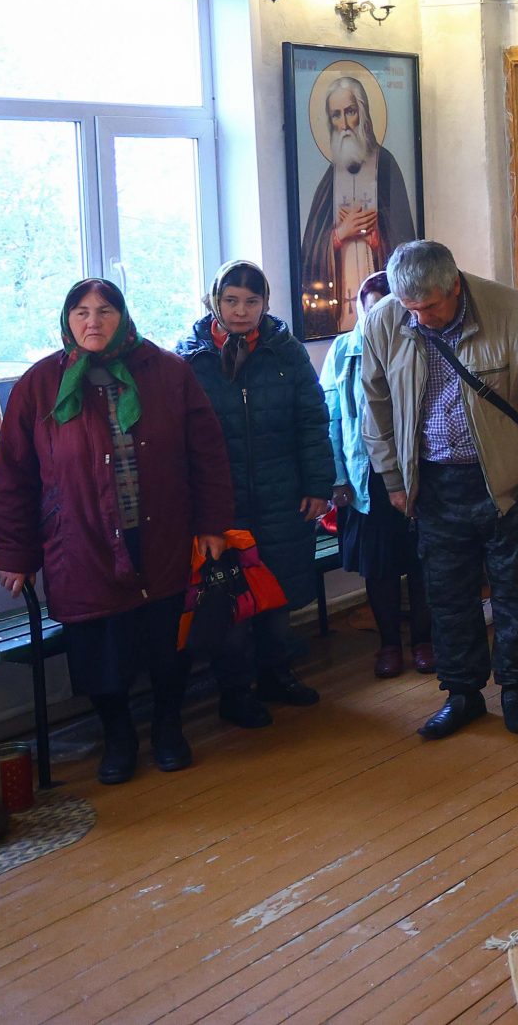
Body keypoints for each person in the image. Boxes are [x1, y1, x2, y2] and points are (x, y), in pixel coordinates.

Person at [0, 280, 233, 784]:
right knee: (99, 647)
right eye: (81, 312)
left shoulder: (167, 372)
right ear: (67, 320)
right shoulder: (40, 384)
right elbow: (13, 474)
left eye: (104, 311)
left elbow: (206, 454)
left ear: (123, 317)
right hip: (81, 541)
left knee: (166, 640)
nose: (92, 322)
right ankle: (118, 738)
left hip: (160, 532)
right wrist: (15, 552)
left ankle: (168, 728)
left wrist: (212, 524)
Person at [360, 241, 518, 739]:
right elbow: (375, 406)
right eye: (410, 309)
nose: (420, 319)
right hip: (433, 483)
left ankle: (517, 689)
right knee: (447, 595)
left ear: (455, 285)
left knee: (517, 591)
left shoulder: (509, 311)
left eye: (430, 307)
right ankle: (462, 694)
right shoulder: (385, 321)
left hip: (506, 478)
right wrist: (393, 477)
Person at [175, 259, 336, 728]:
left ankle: (276, 675)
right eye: (231, 301)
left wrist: (318, 485)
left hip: (282, 494)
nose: (241, 311)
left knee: (277, 593)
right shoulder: (189, 359)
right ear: (214, 301)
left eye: (252, 301)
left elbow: (312, 420)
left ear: (265, 303)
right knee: (229, 599)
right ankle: (235, 691)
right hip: (221, 504)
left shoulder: (285, 352)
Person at [323, 271, 432, 678]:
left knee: (423, 559)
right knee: (380, 566)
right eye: (372, 311)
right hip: (366, 474)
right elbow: (331, 417)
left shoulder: (420, 340)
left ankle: (424, 640)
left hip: (418, 468)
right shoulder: (343, 350)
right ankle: (389, 644)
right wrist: (338, 477)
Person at [297, 70, 418, 333]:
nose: (344, 124)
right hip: (340, 304)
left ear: (362, 113)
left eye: (350, 111)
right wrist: (339, 234)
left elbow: (407, 243)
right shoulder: (330, 178)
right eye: (336, 115)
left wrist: (378, 241)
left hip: (384, 301)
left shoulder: (385, 165)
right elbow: (308, 255)